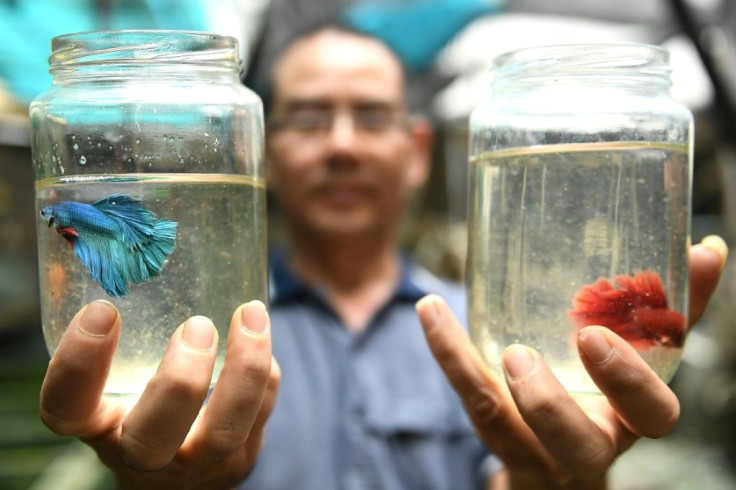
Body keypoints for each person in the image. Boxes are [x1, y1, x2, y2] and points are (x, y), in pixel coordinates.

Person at [39, 26, 728, 490]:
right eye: (309, 118)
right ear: (260, 149)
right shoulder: (213, 326)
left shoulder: (489, 339)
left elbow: (513, 471)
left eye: (372, 116)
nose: (342, 144)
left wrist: (545, 482)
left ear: (419, 150)